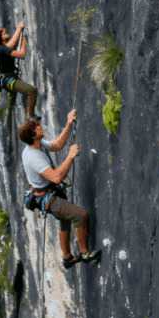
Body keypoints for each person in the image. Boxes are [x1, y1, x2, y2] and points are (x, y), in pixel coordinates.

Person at [19, 112, 100, 270]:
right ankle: (84, 254)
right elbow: (56, 177)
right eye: (36, 126)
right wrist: (70, 156)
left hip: (48, 192)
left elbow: (56, 145)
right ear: (33, 134)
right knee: (80, 215)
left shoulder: (37, 143)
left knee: (65, 220)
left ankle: (67, 258)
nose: (39, 126)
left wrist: (69, 123)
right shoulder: (33, 156)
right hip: (47, 197)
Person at [0, 23, 38, 118]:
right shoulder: (0, 49)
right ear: (2, 38)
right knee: (32, 91)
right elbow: (21, 54)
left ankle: (12, 103)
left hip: (11, 77)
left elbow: (12, 43)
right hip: (8, 80)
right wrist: (24, 38)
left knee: (18, 97)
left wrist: (19, 29)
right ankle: (31, 116)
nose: (7, 33)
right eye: (4, 33)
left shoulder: (3, 48)